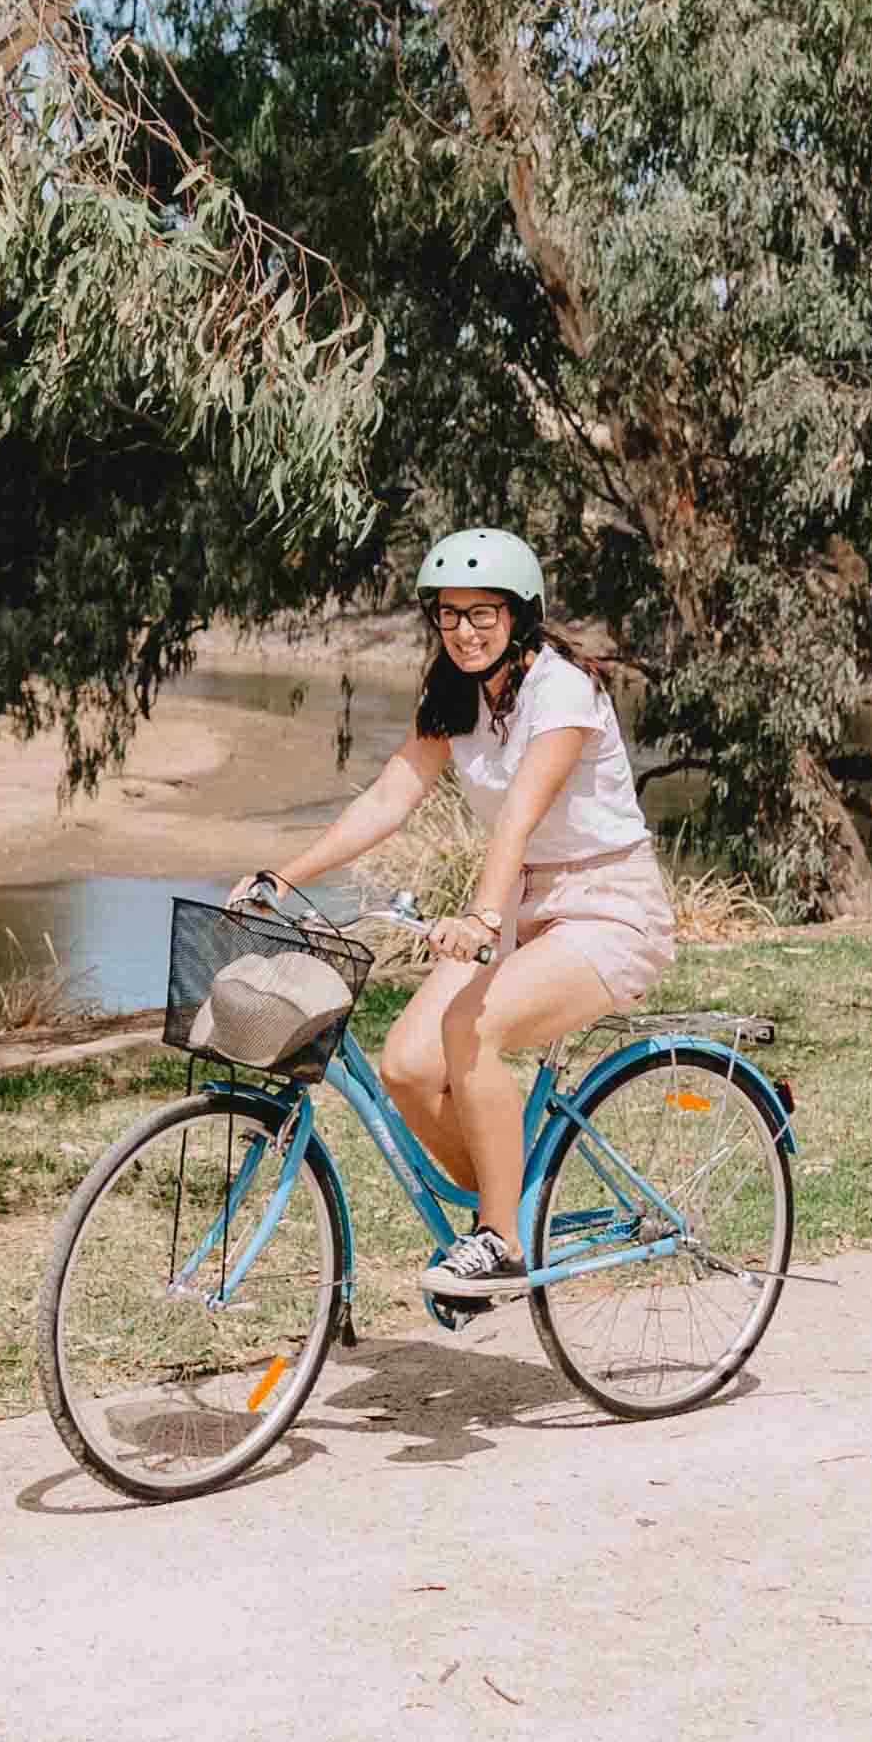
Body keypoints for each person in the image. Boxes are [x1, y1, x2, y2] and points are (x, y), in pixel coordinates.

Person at [238, 530, 679, 1304]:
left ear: (521, 616)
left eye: (484, 614)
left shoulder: (564, 690)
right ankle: (510, 1208)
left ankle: (504, 1243)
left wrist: (478, 918)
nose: (465, 632)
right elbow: (387, 798)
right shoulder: (453, 696)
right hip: (520, 904)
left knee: (471, 1029)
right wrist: (284, 874)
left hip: (606, 906)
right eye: (448, 616)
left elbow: (517, 818)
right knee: (406, 1065)